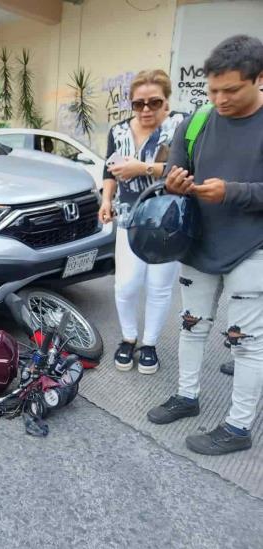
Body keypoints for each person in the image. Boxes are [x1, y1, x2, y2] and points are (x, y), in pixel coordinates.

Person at [146, 35, 263, 455]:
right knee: (191, 327)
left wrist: (233, 192)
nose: (220, 99)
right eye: (213, 90)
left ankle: (238, 427)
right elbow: (174, 170)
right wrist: (173, 181)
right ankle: (186, 396)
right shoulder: (196, 122)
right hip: (198, 243)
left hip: (253, 248)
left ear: (259, 79)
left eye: (230, 90)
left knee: (248, 343)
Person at [99, 70, 186, 374]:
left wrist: (143, 168)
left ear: (166, 101)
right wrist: (106, 200)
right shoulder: (119, 131)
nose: (146, 110)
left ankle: (149, 344)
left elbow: (187, 168)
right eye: (138, 104)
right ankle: (128, 338)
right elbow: (109, 171)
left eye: (154, 102)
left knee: (159, 287)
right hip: (129, 218)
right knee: (126, 285)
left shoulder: (180, 125)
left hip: (169, 219)